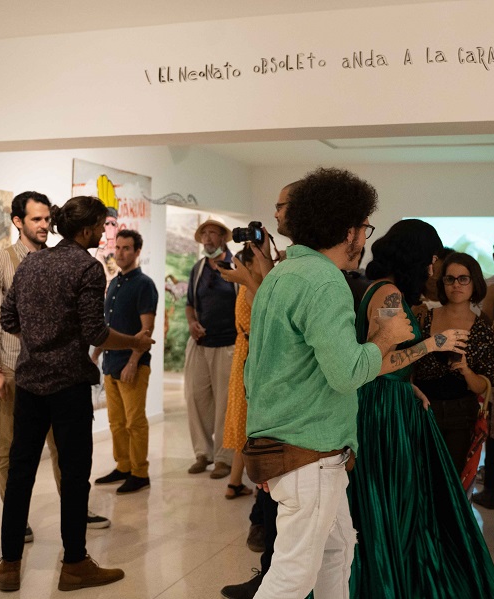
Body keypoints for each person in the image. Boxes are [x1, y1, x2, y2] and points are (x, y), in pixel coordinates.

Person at [244, 168, 419, 598]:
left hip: (297, 449)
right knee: (292, 576)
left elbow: (257, 372)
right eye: (364, 227)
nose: (364, 238)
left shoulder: (282, 275)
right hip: (309, 452)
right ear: (347, 230)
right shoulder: (324, 281)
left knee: (338, 550)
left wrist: (264, 445)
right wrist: (385, 337)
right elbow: (348, 373)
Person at [0, 196, 153, 593]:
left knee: (20, 474)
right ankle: (75, 564)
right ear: (86, 229)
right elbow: (96, 332)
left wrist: (39, 341)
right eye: (101, 226)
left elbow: (8, 318)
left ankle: (9, 565)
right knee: (75, 475)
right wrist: (135, 342)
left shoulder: (32, 262)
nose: (104, 233)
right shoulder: (87, 267)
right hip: (69, 387)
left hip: (30, 383)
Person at [350, 219, 494, 599]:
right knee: (396, 500)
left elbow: (389, 362)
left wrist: (408, 385)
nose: (434, 267)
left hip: (393, 401)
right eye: (432, 258)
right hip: (383, 410)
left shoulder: (387, 291)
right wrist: (434, 343)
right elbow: (376, 363)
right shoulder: (388, 294)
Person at [0, 191, 109, 547]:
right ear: (18, 221)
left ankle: (74, 510)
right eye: (35, 219)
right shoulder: (1, 260)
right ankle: (16, 520)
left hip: (51, 371)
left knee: (63, 450)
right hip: (14, 368)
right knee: (12, 449)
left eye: (46, 218)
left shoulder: (49, 260)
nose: (43, 225)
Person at [222, 182, 298, 599]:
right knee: (253, 442)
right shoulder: (273, 269)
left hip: (270, 367)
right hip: (252, 359)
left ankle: (273, 572)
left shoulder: (289, 272)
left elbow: (274, 314)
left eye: (281, 207)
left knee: (266, 453)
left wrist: (254, 278)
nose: (275, 214)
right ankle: (260, 528)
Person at [413, 252, 494, 474]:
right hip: (422, 409)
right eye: (450, 279)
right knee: (421, 478)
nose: (456, 285)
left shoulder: (482, 328)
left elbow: (483, 386)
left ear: (474, 282)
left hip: (461, 414)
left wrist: (466, 370)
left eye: (463, 279)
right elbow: (410, 364)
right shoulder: (424, 318)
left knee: (453, 480)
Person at [92, 229, 159, 494]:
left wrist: (133, 361)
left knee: (134, 422)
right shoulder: (114, 283)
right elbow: (107, 327)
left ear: (137, 251)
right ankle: (123, 466)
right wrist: (96, 354)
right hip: (111, 363)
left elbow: (146, 330)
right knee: (116, 422)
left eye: (126, 248)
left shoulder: (144, 285)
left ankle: (140, 473)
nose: (120, 253)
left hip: (132, 365)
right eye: (117, 248)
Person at [184, 218, 237, 478]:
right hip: (200, 344)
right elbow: (190, 304)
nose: (207, 237)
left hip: (229, 344)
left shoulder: (236, 266)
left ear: (223, 238)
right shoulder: (198, 269)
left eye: (212, 233)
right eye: (204, 233)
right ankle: (202, 454)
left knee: (225, 403)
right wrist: (192, 323)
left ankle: (224, 458)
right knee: (196, 398)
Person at [218, 244, 265, 499]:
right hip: (252, 355)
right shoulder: (252, 289)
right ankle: (256, 482)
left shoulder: (247, 287)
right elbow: (270, 311)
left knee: (244, 418)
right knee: (251, 421)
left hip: (243, 353)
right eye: (259, 259)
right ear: (248, 265)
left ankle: (234, 482)